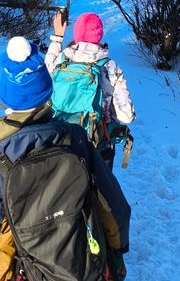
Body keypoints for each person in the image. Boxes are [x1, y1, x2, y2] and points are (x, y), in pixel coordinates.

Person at [0, 36, 130, 281]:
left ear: (5, 97)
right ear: (48, 91)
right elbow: (113, 206)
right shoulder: (76, 139)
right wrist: (116, 254)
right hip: (84, 278)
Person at [45, 11, 135, 169]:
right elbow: (126, 116)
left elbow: (47, 67)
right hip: (97, 145)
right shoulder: (109, 67)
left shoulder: (62, 60)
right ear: (99, 36)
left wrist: (58, 38)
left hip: (59, 139)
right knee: (100, 192)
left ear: (77, 34)